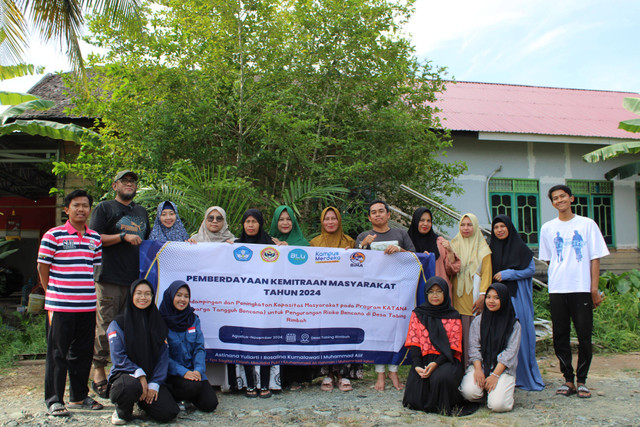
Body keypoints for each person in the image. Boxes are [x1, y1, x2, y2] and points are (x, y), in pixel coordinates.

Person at [37, 190, 104, 416]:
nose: (81, 209)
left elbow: (94, 270)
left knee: (83, 352)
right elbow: (42, 268)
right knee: (57, 353)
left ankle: (78, 396)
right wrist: (52, 293)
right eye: (76, 205)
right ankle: (54, 400)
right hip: (60, 305)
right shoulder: (53, 235)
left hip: (87, 305)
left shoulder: (95, 238)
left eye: (85, 205)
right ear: (66, 209)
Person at [539, 185, 609, 398]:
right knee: (560, 335)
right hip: (558, 289)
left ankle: (582, 380)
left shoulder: (587, 225)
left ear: (571, 198)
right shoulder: (548, 228)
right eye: (555, 198)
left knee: (584, 335)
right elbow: (550, 259)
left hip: (581, 288)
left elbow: (594, 258)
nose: (559, 200)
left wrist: (593, 289)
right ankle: (567, 379)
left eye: (563, 196)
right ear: (552, 203)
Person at [90, 170, 150, 398]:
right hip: (109, 278)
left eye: (133, 181)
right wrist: (122, 237)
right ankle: (98, 371)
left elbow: (148, 244)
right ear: (115, 186)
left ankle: (124, 372)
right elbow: (93, 239)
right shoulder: (104, 208)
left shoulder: (141, 211)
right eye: (124, 181)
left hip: (135, 281)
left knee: (130, 327)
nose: (129, 184)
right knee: (105, 327)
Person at [355, 200, 415, 391]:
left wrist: (400, 250)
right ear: (369, 217)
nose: (378, 215)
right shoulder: (364, 236)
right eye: (373, 212)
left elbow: (416, 259)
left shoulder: (400, 234)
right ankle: (380, 374)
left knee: (396, 330)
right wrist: (362, 247)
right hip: (373, 294)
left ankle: (394, 371)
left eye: (381, 211)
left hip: (398, 293)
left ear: (389, 214)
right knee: (377, 331)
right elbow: (353, 264)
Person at [107, 279, 179, 425]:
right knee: (129, 387)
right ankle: (123, 410)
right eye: (138, 293)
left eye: (147, 294)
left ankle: (143, 402)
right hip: (126, 375)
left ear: (152, 297)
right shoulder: (118, 323)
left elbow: (163, 357)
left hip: (151, 378)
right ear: (132, 295)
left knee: (168, 412)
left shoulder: (158, 323)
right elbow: (118, 357)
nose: (143, 297)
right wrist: (139, 374)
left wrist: (155, 383)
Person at [490, 215, 544, 391]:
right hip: (498, 299)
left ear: (509, 228)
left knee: (521, 334)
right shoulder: (492, 248)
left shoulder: (520, 247)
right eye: (496, 227)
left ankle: (525, 377)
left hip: (517, 296)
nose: (499, 230)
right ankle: (501, 374)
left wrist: (509, 274)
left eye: (502, 226)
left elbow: (530, 270)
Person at [309, 206, 361, 392]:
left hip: (345, 297)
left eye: (334, 218)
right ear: (322, 221)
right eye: (326, 218)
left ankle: (344, 374)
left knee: (344, 333)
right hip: (323, 297)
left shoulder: (350, 241)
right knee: (325, 334)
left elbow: (358, 268)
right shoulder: (314, 243)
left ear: (339, 220)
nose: (330, 222)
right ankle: (328, 374)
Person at [403, 277, 464, 414]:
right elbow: (414, 341)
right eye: (431, 292)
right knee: (416, 395)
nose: (434, 295)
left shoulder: (453, 315)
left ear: (445, 293)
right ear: (426, 294)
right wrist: (418, 365)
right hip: (424, 358)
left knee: (441, 379)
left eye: (439, 291)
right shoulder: (418, 314)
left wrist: (436, 364)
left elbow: (454, 347)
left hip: (446, 359)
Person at [233, 208, 278, 397]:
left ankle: (266, 383)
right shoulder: (235, 245)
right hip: (243, 302)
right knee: (245, 340)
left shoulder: (271, 245)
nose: (250, 225)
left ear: (260, 224)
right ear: (243, 224)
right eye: (247, 221)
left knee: (265, 340)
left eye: (254, 221)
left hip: (266, 302)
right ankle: (250, 383)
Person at [459, 283, 521, 412]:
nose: (491, 301)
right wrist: (477, 369)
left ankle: (499, 391)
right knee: (468, 392)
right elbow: (474, 347)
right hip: (481, 365)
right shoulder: (478, 321)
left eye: (496, 298)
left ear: (503, 300)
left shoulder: (513, 325)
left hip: (502, 370)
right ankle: (486, 391)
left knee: (498, 405)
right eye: (488, 297)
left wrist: (495, 375)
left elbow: (510, 352)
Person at [159, 281, 218, 412]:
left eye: (186, 296)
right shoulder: (160, 322)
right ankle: (172, 397)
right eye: (179, 295)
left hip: (194, 372)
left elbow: (199, 348)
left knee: (210, 404)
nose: (182, 299)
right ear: (170, 296)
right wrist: (183, 372)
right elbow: (163, 356)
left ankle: (187, 398)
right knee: (192, 387)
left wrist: (198, 370)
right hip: (172, 374)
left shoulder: (193, 319)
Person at [450, 213, 492, 366]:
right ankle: (458, 370)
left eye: (469, 225)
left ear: (475, 226)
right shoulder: (453, 245)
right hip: (456, 298)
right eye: (463, 224)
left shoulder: (483, 248)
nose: (466, 228)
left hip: (474, 300)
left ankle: (474, 369)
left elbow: (487, 274)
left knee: (473, 336)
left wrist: (483, 296)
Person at [408, 207, 461, 295]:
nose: (425, 224)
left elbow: (452, 270)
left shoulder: (440, 242)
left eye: (429, 221)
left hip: (438, 293)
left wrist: (450, 251)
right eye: (422, 220)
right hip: (413, 293)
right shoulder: (406, 242)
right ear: (415, 221)